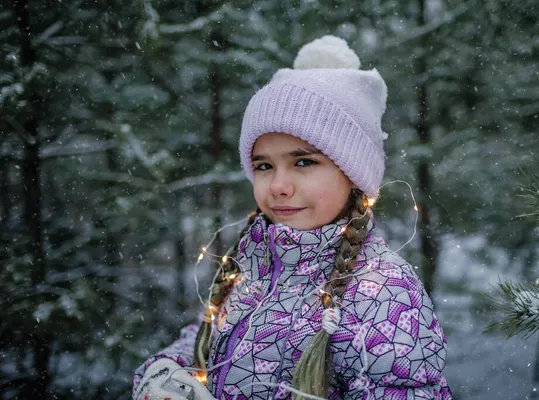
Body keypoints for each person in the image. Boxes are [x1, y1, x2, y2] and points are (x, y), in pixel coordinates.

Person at [132, 35, 452, 400]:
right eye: (264, 165)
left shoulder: (383, 294)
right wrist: (166, 371)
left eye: (304, 162)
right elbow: (210, 339)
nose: (279, 185)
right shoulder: (255, 264)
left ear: (354, 173)